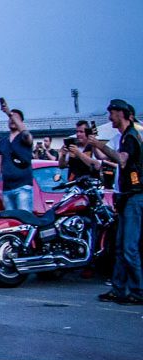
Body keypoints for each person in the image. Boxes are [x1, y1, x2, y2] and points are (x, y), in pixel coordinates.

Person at [90, 99, 143, 304]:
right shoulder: (124, 136)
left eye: (111, 113)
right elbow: (106, 156)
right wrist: (96, 145)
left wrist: (97, 144)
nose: (109, 117)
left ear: (120, 113)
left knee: (129, 247)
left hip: (135, 197)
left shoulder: (131, 135)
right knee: (120, 247)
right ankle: (119, 289)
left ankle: (138, 291)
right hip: (127, 197)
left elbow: (121, 159)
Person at [0, 100, 35, 211]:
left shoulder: (24, 138)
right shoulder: (3, 141)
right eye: (10, 118)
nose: (12, 120)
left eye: (15, 118)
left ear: (21, 122)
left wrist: (9, 113)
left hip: (23, 187)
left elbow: (26, 133)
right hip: (7, 189)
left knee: (24, 222)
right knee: (11, 224)